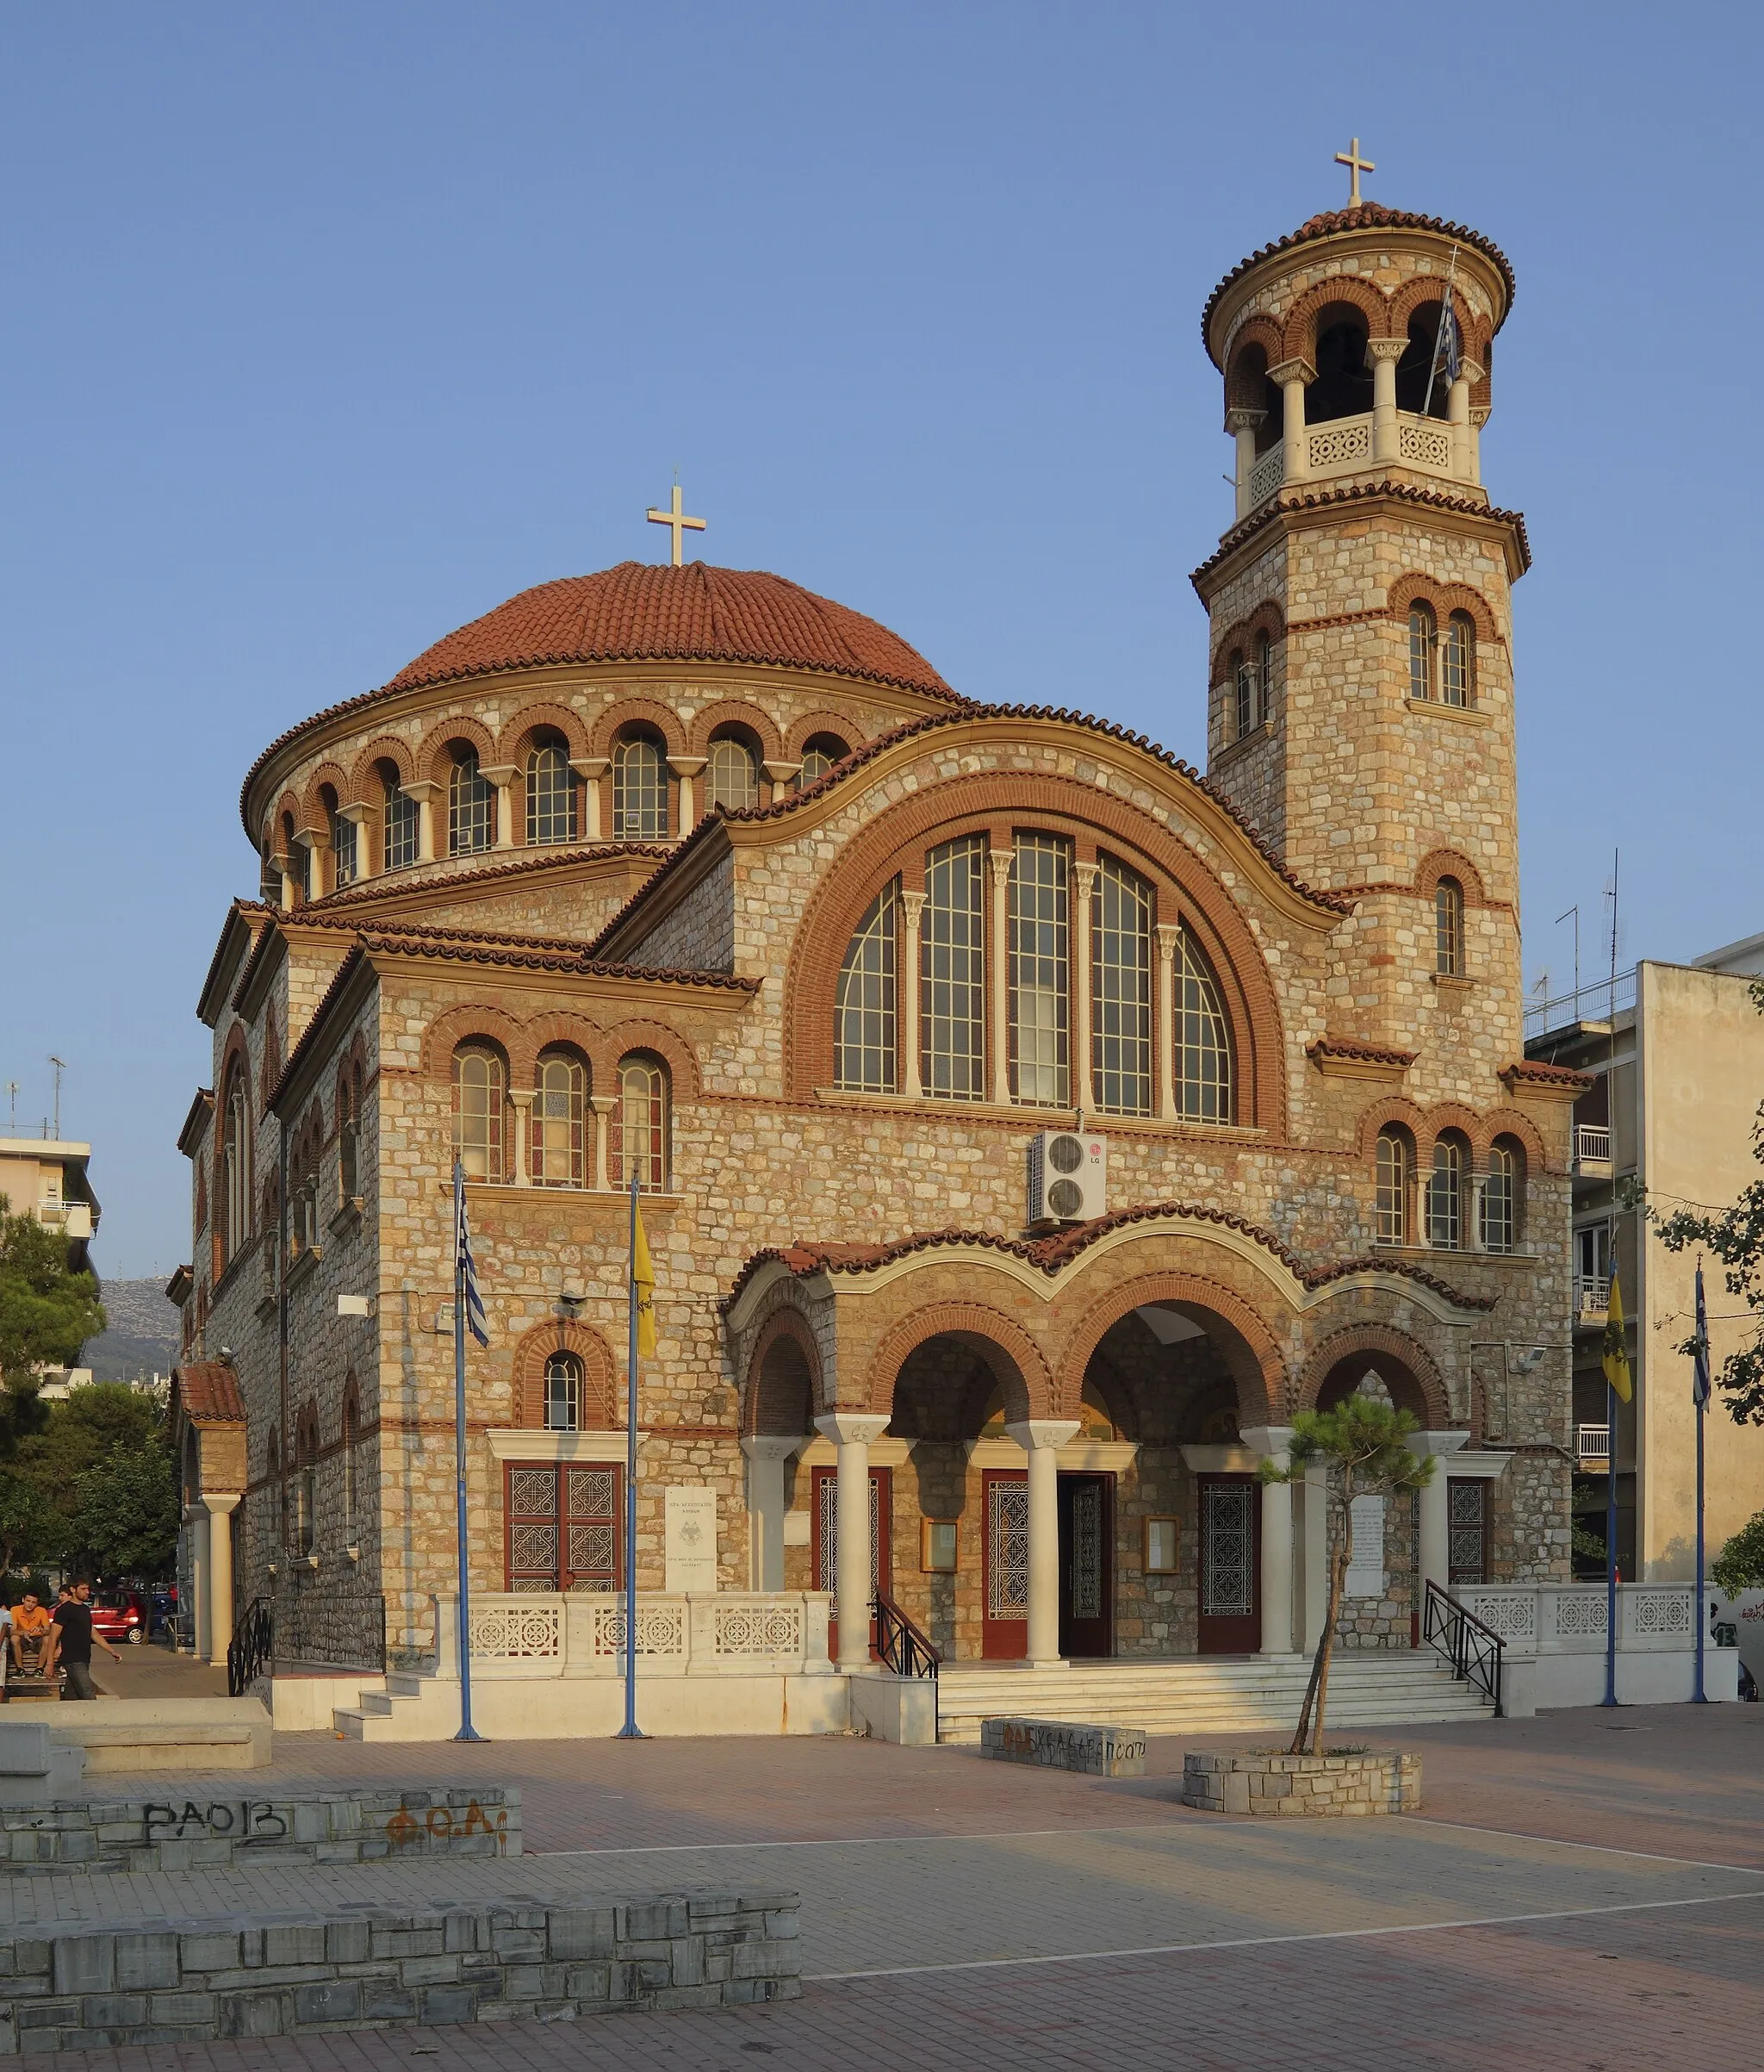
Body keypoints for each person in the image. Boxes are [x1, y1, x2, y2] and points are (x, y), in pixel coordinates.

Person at [46, 1579, 120, 1700]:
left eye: (88, 1589)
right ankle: (95, 1718)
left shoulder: (85, 1609)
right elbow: (53, 1637)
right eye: (83, 1589)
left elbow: (93, 1633)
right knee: (88, 1695)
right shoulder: (64, 1610)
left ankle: (66, 1716)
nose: (87, 1592)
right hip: (73, 1660)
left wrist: (111, 1651)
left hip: (85, 1658)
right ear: (73, 1590)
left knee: (72, 1697)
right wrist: (50, 1663)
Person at [10, 1592, 52, 1678]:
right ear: (23, 1600)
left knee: (47, 1639)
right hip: (22, 1638)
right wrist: (23, 1633)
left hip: (37, 1639)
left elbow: (48, 1631)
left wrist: (41, 1629)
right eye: (28, 1601)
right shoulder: (15, 1610)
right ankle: (20, 1669)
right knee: (14, 1638)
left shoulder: (41, 1610)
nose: (30, 1604)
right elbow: (12, 1631)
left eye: (33, 1602)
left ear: (37, 1604)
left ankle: (39, 1669)